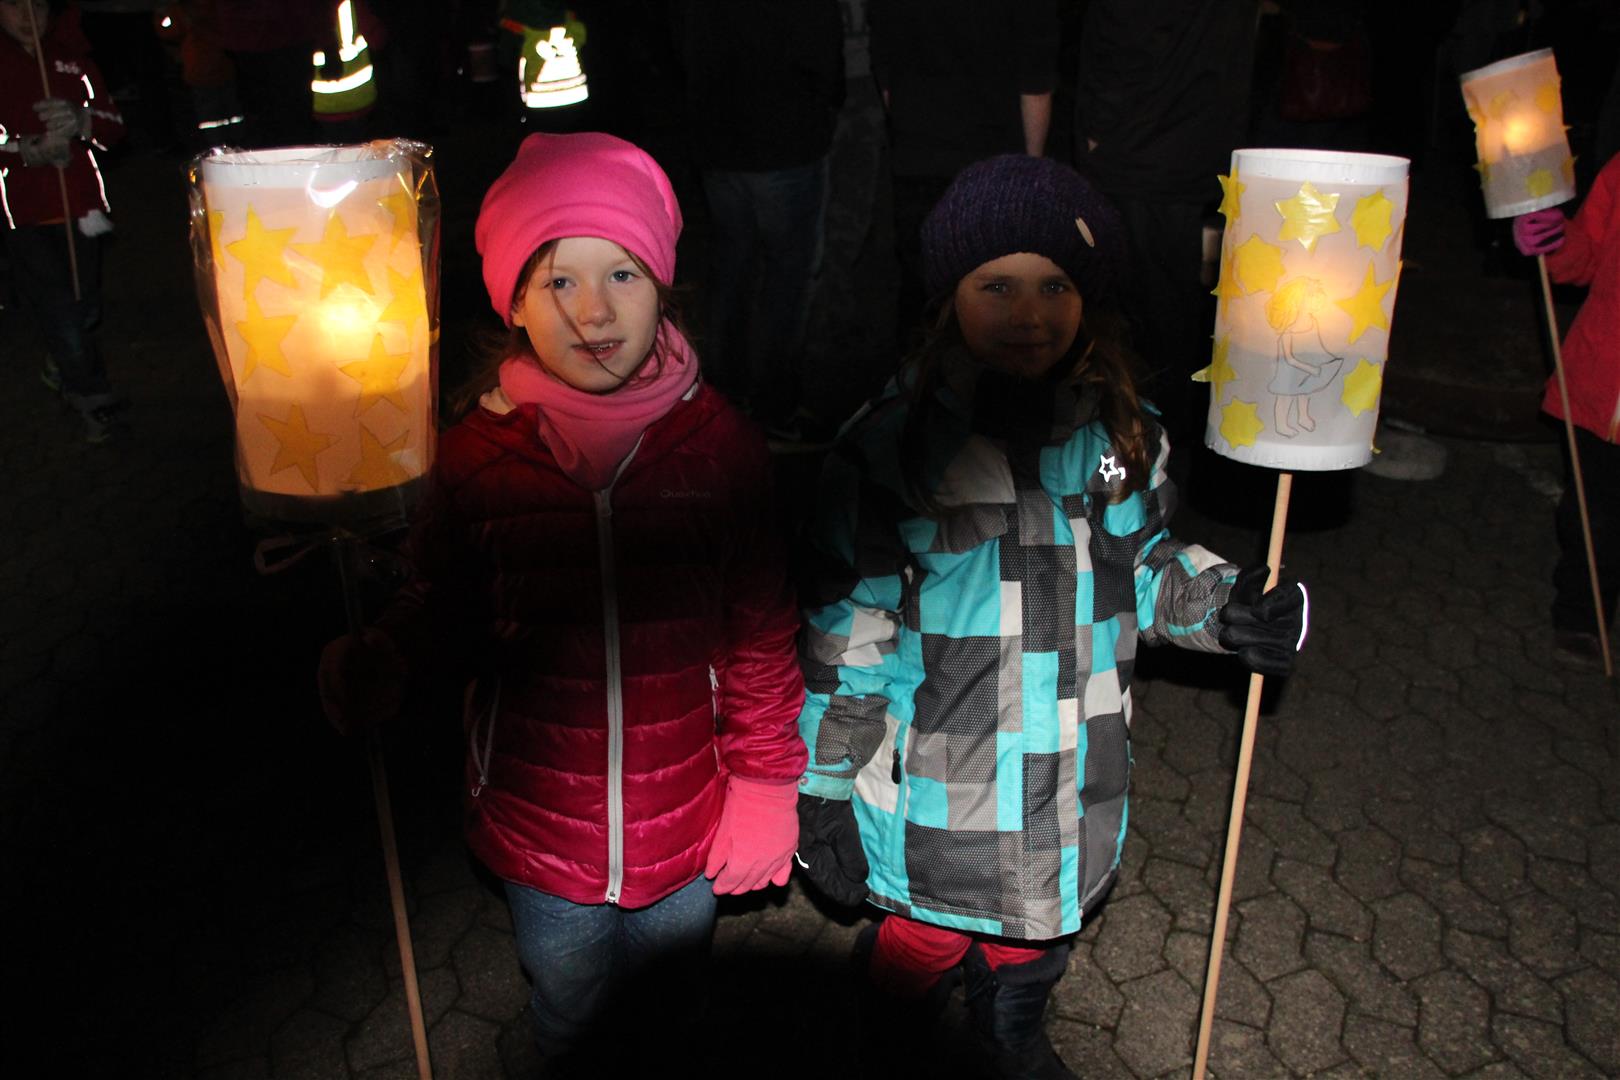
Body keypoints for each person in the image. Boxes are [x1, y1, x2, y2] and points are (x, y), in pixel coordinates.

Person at [791, 155, 1307, 1079]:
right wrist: (823, 782)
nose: (1027, 312)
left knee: (1036, 929)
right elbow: (848, 632)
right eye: (996, 285)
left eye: (1054, 286)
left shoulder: (1119, 434)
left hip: (1070, 761)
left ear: (1088, 301)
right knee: (928, 934)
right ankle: (891, 1034)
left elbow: (1141, 565)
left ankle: (1011, 1028)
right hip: (942, 781)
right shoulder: (892, 445)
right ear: (949, 297)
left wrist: (1226, 603)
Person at [318, 132, 809, 1069]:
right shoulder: (478, 456)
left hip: (686, 820)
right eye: (558, 281)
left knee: (672, 1010)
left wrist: (765, 782)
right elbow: (444, 601)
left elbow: (759, 636)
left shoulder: (722, 451)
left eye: (622, 273)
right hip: (539, 831)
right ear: (512, 303)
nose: (593, 310)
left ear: (663, 285)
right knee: (571, 1007)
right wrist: (389, 651)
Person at [676, 0, 844, 445]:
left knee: (732, 268)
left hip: (718, 139)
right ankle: (773, 405)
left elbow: (679, 42)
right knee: (787, 277)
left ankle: (726, 396)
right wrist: (824, 104)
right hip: (784, 139)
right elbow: (822, 56)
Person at [0, 0, 127, 442]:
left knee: (85, 305)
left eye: (37, 4)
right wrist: (21, 149)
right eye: (14, 4)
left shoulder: (75, 60)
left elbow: (113, 126)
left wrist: (83, 120)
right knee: (60, 311)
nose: (27, 15)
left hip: (81, 208)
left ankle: (63, 360)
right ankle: (93, 399)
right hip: (21, 214)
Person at [1512, 158, 1620, 662]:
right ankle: (1583, 613)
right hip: (1605, 384)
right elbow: (1589, 256)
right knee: (1591, 515)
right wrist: (1556, 240)